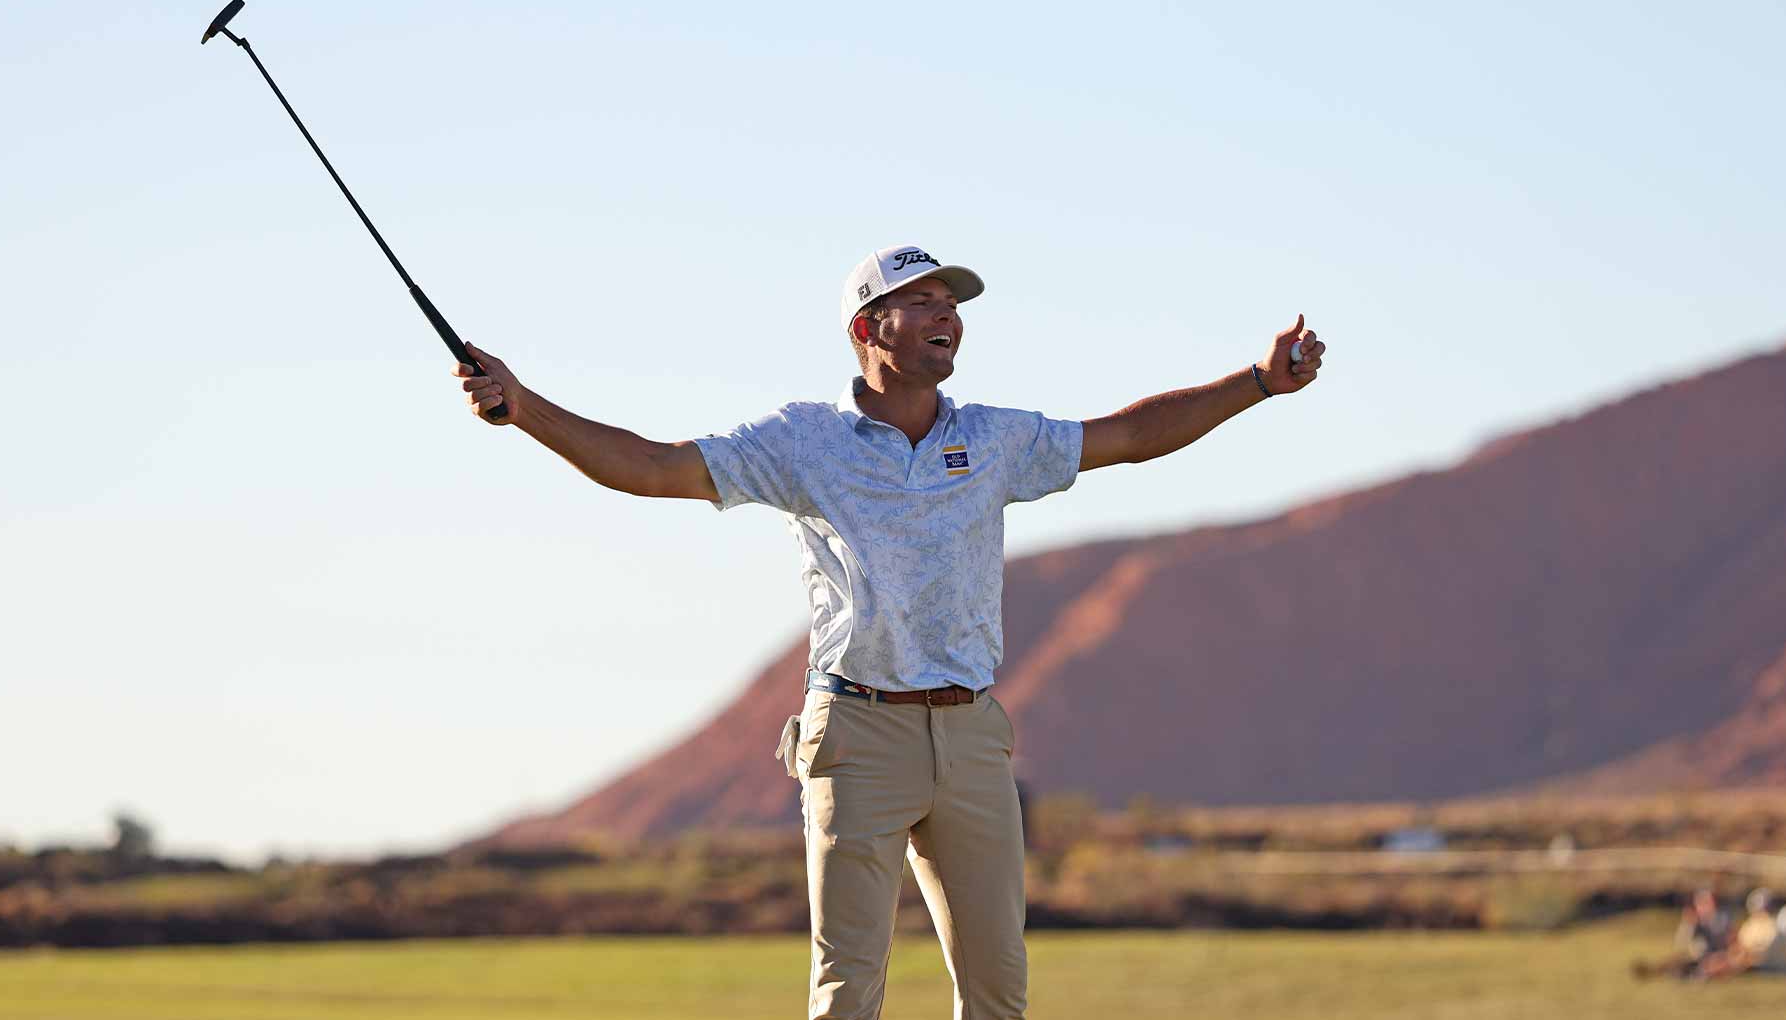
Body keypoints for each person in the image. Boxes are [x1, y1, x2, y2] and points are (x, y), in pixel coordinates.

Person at [451, 245, 1327, 1019]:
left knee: (998, 991)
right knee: (847, 997)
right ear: (871, 327)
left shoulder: (994, 438)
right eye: (926, 302)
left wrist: (1257, 382)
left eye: (954, 305)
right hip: (857, 731)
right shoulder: (802, 440)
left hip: (972, 732)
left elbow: (1131, 435)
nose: (949, 315)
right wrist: (524, 407)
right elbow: (649, 467)